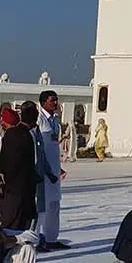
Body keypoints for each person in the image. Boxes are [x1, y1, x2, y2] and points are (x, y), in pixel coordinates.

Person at [36, 90, 67, 250]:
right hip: (43, 171)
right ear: (43, 102)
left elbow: (53, 147)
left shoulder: (54, 120)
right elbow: (39, 149)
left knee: (54, 205)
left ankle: (52, 239)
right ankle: (36, 240)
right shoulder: (39, 120)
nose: (55, 103)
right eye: (52, 100)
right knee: (42, 207)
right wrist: (47, 170)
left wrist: (58, 168)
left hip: (54, 170)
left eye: (56, 100)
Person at [0, 103, 38, 231]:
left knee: (13, 224)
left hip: (14, 189)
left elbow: (7, 162)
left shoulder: (12, 134)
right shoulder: (25, 134)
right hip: (20, 189)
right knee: (19, 225)